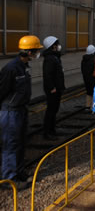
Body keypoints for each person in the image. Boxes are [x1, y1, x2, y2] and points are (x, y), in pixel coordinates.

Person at [0, 35, 42, 189]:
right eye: (36, 50)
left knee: (20, 143)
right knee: (11, 145)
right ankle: (9, 179)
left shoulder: (24, 66)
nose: (38, 53)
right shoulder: (11, 68)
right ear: (29, 52)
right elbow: (1, 91)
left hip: (21, 110)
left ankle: (19, 172)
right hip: (10, 112)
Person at [42, 36, 65, 140]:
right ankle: (47, 132)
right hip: (53, 89)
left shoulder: (54, 57)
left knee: (54, 110)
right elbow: (48, 75)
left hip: (57, 88)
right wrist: (52, 87)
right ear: (53, 46)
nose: (58, 46)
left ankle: (52, 129)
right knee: (51, 110)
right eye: (57, 44)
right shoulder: (50, 59)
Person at [81, 45, 95, 109]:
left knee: (88, 92)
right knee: (94, 92)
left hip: (86, 79)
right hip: (94, 79)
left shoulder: (83, 60)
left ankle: (87, 106)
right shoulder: (94, 60)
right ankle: (93, 107)